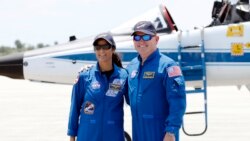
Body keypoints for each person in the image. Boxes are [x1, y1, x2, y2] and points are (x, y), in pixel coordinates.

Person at [126, 21, 186, 141]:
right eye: (137, 37)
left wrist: (171, 131)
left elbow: (178, 102)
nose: (141, 41)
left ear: (156, 39)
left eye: (146, 36)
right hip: (138, 130)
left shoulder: (168, 66)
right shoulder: (131, 66)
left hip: (161, 132)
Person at [67, 32, 129, 141]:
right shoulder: (84, 76)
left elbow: (135, 103)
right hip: (88, 135)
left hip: (113, 136)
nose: (102, 51)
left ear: (113, 49)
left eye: (106, 46)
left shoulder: (124, 76)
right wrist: (72, 136)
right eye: (98, 47)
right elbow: (74, 108)